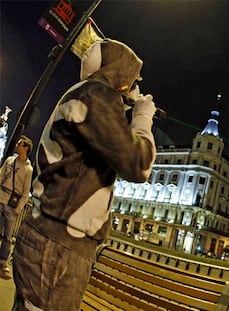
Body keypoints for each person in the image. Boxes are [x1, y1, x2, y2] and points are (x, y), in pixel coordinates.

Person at [12, 38, 157, 311]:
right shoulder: (95, 96)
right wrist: (142, 117)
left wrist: (123, 107)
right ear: (119, 73)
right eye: (132, 78)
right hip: (59, 247)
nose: (134, 86)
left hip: (50, 240)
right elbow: (139, 164)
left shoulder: (84, 95)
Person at [0, 135, 33, 274]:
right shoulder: (10, 161)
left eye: (20, 144)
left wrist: (18, 208)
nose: (17, 145)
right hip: (0, 197)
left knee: (8, 236)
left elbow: (26, 192)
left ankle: (2, 261)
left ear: (25, 148)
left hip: (11, 205)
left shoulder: (28, 169)